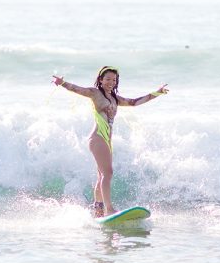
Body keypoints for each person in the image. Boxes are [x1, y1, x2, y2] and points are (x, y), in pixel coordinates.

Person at [51, 66, 168, 217]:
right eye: (107, 79)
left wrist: (157, 93)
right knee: (108, 173)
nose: (111, 82)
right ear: (100, 79)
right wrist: (62, 83)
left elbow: (134, 102)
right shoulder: (95, 93)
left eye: (114, 80)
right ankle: (109, 208)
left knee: (102, 175)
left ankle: (98, 210)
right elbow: (77, 89)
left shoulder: (114, 98)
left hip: (106, 140)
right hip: (98, 137)